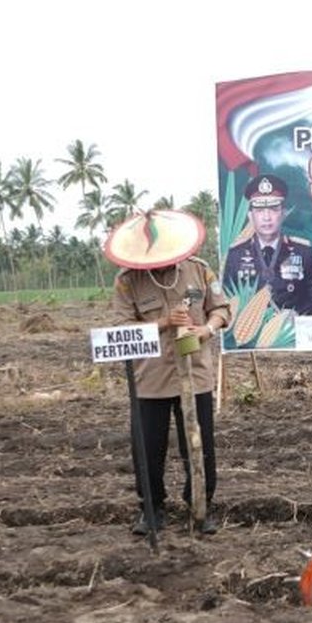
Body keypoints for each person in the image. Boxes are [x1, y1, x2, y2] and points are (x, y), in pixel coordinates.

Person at [106, 209, 230, 535]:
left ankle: (200, 506)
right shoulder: (127, 281)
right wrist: (163, 322)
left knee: (200, 445)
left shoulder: (199, 270)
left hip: (196, 373)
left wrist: (206, 329)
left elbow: (221, 309)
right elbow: (121, 328)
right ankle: (151, 509)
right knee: (148, 448)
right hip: (151, 379)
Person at [224, 173, 312, 317]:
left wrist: (298, 313)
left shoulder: (302, 251)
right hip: (252, 330)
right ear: (250, 216)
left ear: (283, 213)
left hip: (292, 328)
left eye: (274, 209)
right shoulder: (236, 254)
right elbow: (226, 299)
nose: (267, 217)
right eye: (259, 210)